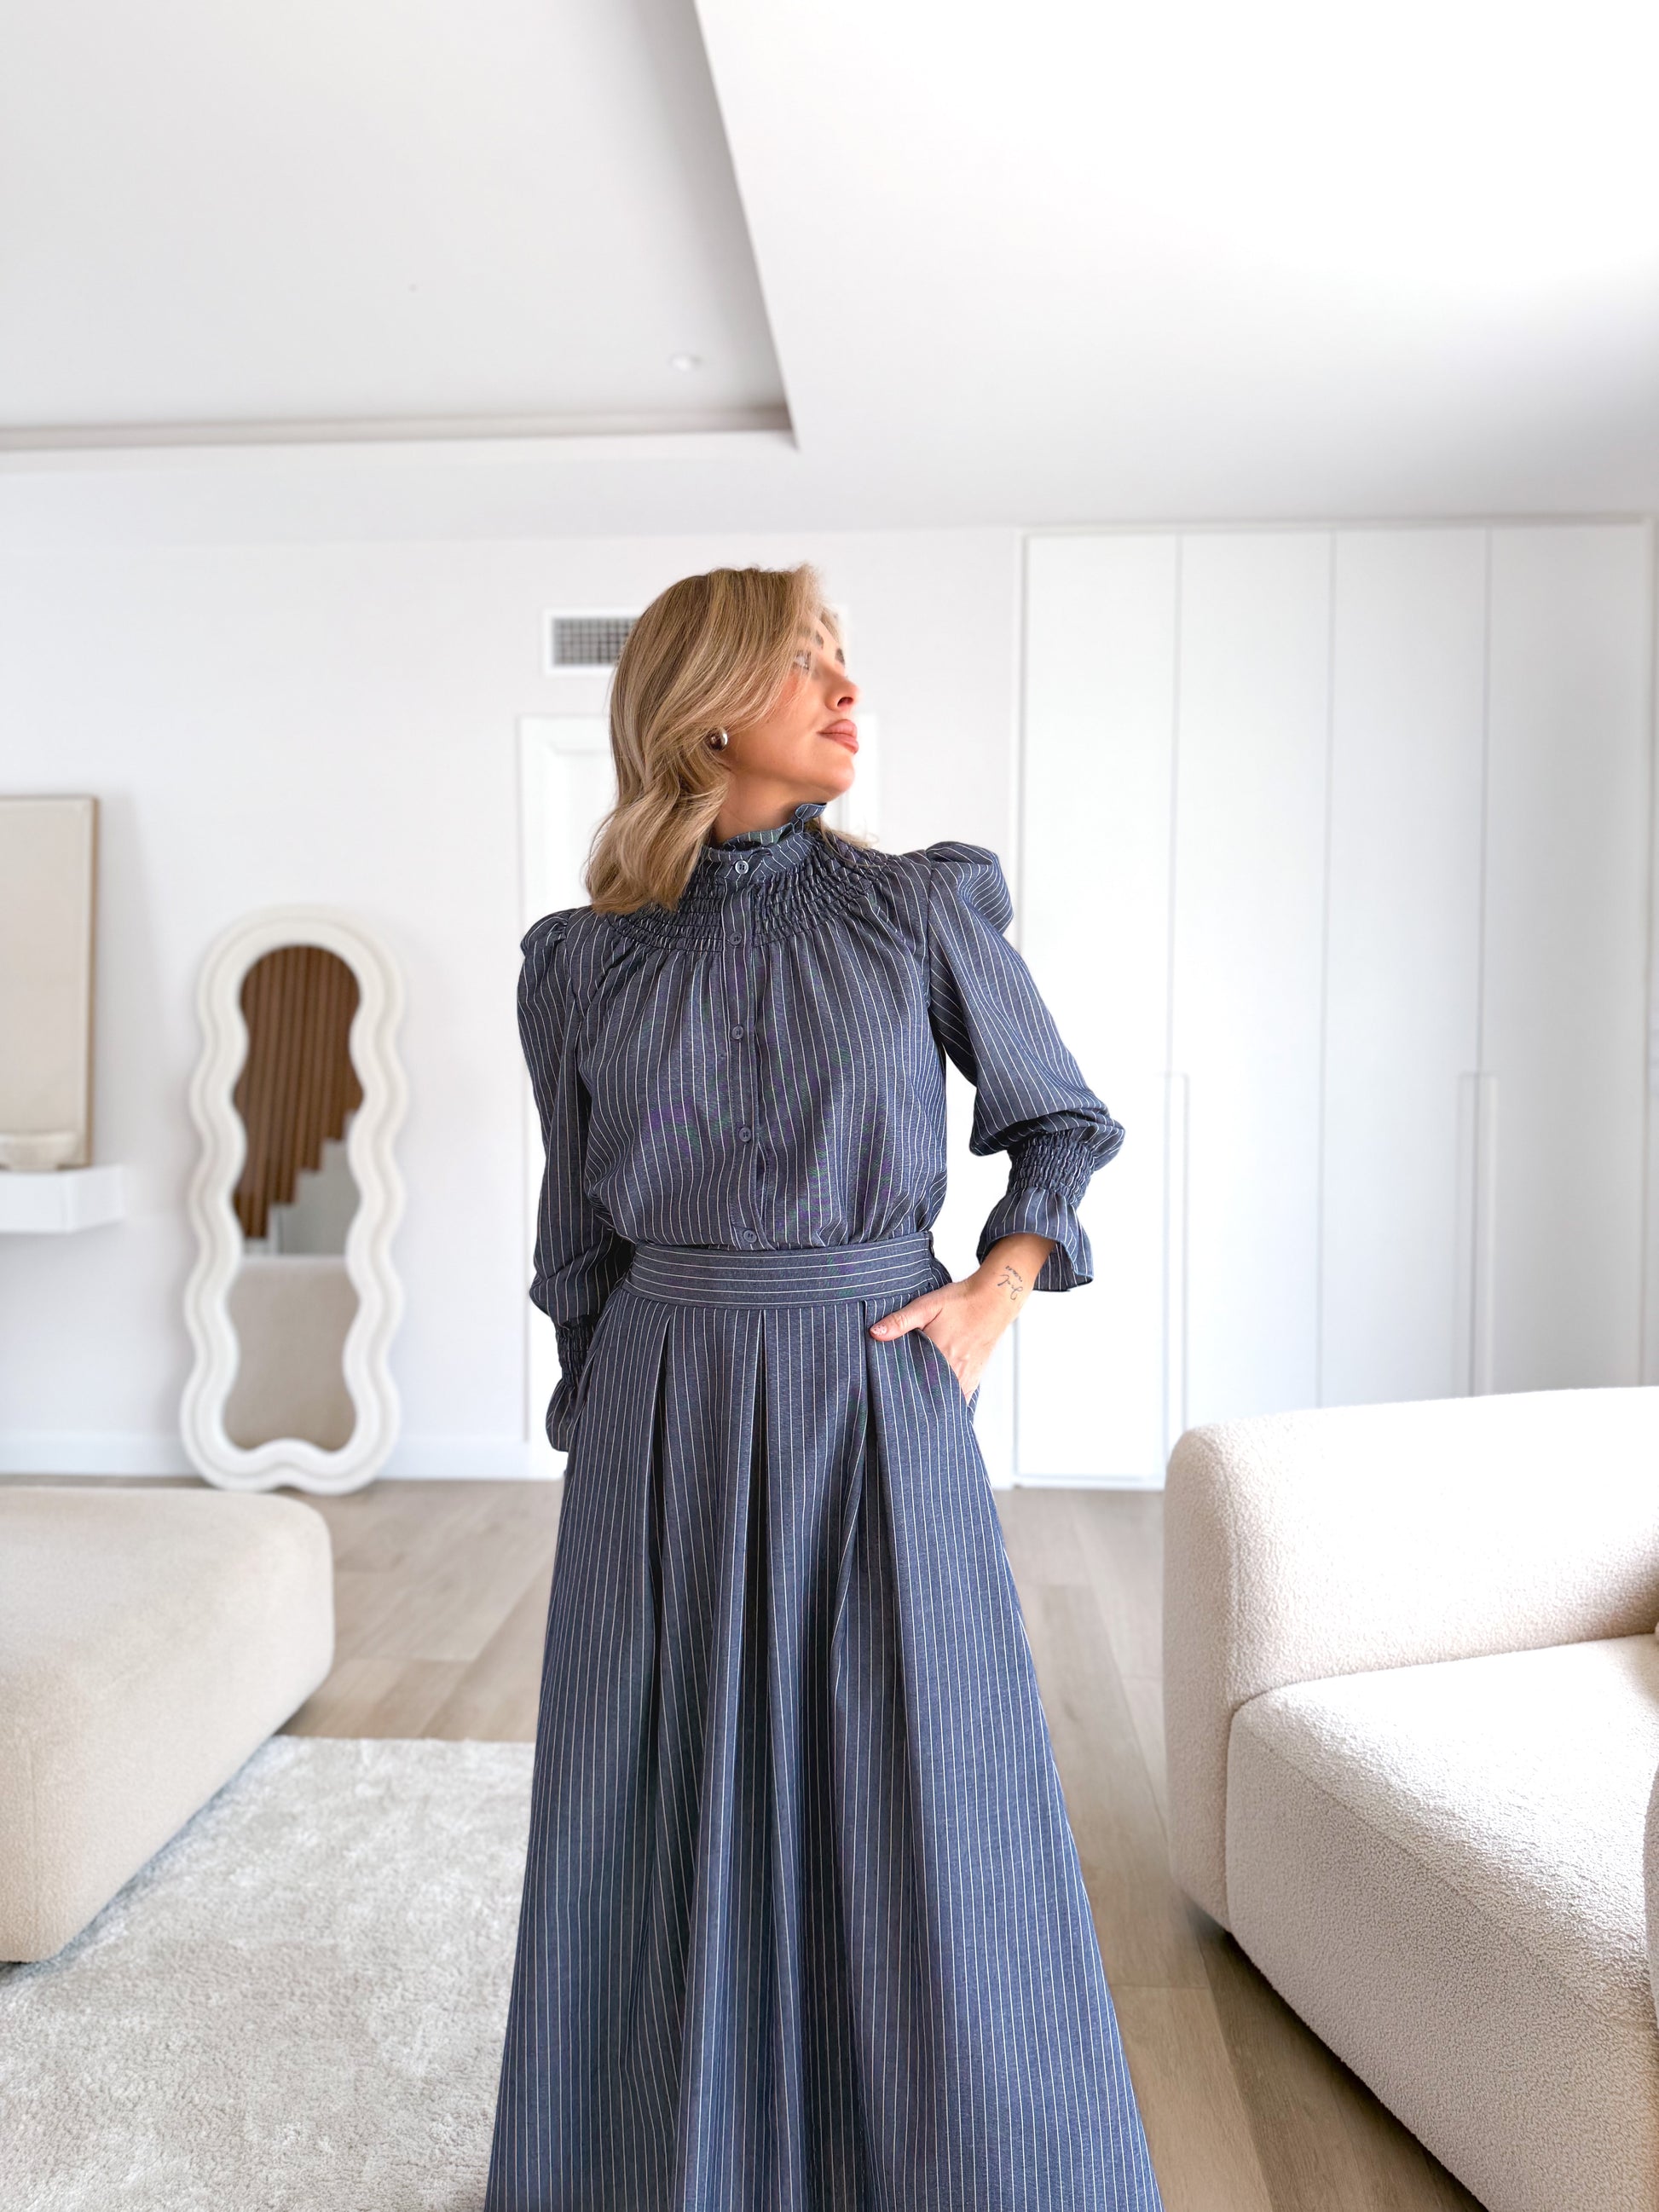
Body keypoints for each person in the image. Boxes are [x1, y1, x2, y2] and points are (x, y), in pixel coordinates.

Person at [485, 563, 1164, 2212]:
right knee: (648, 1798)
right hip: (659, 1402)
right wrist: (603, 1424)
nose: (847, 690)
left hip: (870, 1389)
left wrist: (995, 1288)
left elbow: (1057, 1118)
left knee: (922, 1779)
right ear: (706, 707)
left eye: (843, 659)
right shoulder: (580, 963)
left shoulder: (914, 908)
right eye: (804, 663)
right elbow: (577, 1233)